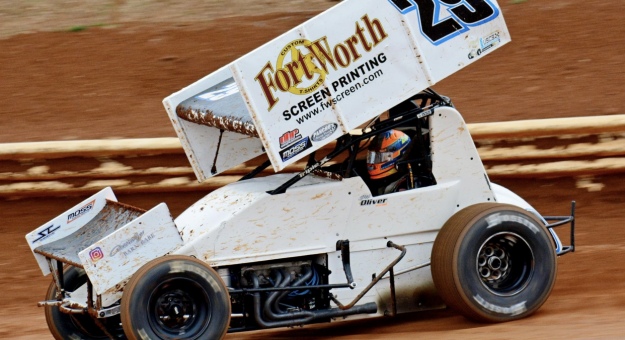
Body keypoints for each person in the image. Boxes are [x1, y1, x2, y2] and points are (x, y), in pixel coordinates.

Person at [366, 129, 414, 195]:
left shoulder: (403, 186)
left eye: (381, 157)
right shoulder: (384, 181)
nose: (373, 163)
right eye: (374, 157)